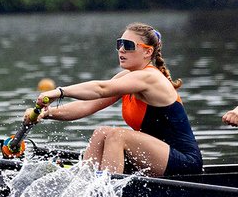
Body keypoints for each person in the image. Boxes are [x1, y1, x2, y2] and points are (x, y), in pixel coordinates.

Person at [32, 22, 201, 176]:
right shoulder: (127, 77)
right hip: (156, 156)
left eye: (128, 45)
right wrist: (45, 113)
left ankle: (103, 194)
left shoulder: (150, 78)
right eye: (119, 44)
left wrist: (60, 92)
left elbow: (100, 89)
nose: (121, 49)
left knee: (117, 136)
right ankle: (83, 184)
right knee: (101, 132)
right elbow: (87, 105)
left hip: (185, 162)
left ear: (147, 51)